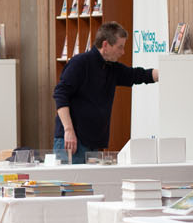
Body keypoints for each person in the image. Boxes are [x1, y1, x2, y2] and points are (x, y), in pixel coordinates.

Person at [53, 21, 158, 163]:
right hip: (72, 142)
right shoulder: (79, 63)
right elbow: (60, 95)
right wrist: (68, 130)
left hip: (93, 144)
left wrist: (166, 72)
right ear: (105, 45)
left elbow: (137, 75)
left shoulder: (111, 68)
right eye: (120, 47)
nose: (123, 52)